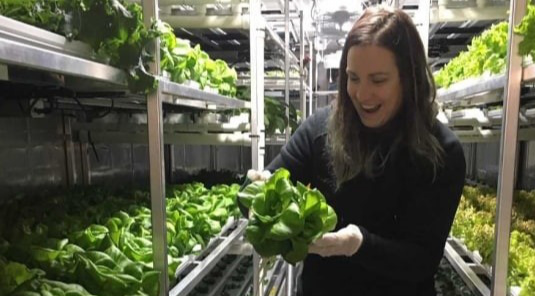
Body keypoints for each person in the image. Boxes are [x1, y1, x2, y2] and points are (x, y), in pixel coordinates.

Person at [247, 6, 466, 296]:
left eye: (378, 80)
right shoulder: (320, 130)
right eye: (353, 77)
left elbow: (422, 260)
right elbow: (264, 186)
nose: (362, 94)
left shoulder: (441, 152)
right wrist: (259, 190)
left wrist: (359, 244)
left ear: (408, 78)